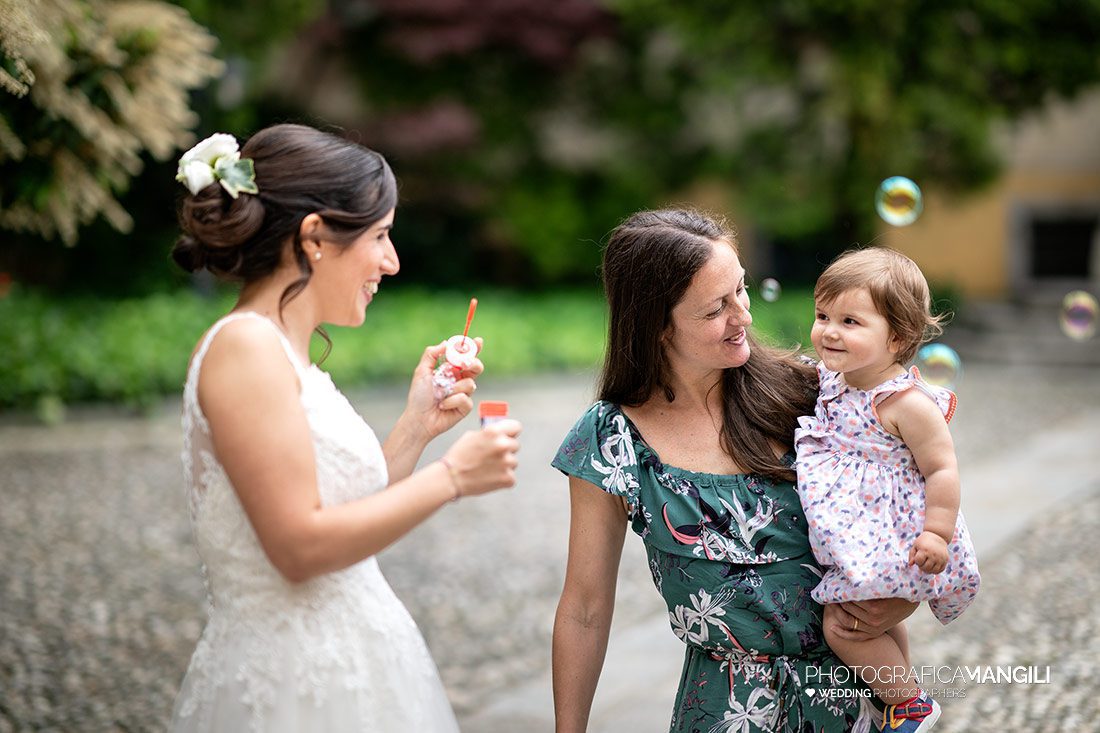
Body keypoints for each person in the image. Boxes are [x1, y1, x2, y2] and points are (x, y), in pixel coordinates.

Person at [168, 123, 521, 732]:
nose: (392, 261)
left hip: (350, 660)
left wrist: (417, 425)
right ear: (314, 238)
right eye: (380, 235)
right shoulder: (246, 349)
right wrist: (451, 478)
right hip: (290, 682)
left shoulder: (282, 349)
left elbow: (344, 509)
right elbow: (299, 548)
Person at [551, 209, 916, 733]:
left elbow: (909, 502)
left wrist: (902, 599)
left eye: (740, 289)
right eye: (715, 308)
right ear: (656, 325)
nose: (742, 315)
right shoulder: (610, 439)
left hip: (851, 699)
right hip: (724, 710)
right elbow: (585, 608)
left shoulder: (816, 395)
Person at [794, 247, 981, 732]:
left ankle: (910, 703)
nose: (829, 331)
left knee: (843, 626)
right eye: (822, 316)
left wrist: (936, 534)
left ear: (896, 337)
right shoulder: (836, 379)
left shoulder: (906, 403)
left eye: (850, 322)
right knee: (877, 621)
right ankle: (891, 697)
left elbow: (942, 469)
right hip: (864, 539)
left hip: (899, 541)